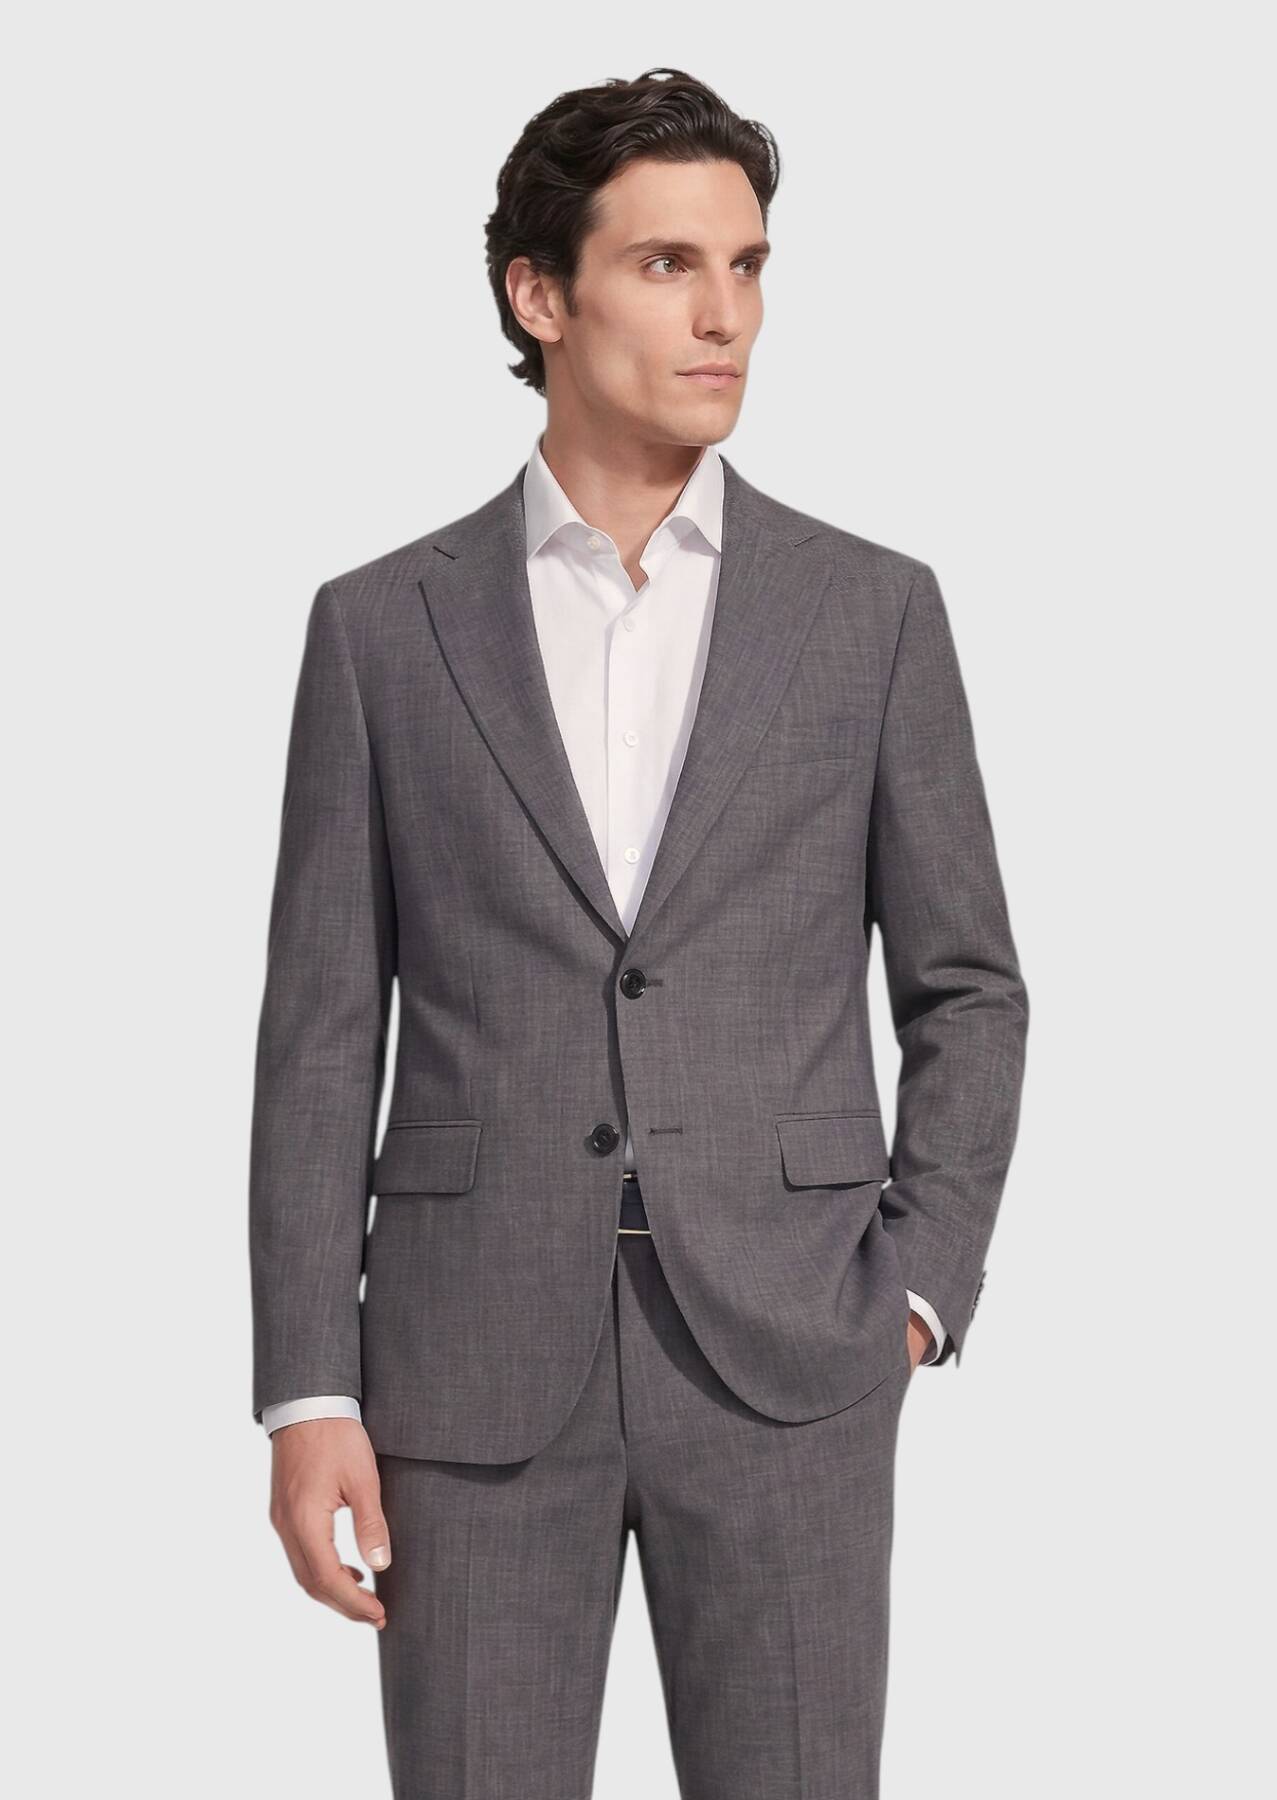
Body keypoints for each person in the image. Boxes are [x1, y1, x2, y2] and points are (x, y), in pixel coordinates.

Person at [249, 65, 1029, 1799]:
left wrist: (915, 1290)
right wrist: (308, 1393)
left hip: (791, 1357)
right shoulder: (380, 629)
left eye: (747, 267)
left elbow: (968, 986)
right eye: (669, 264)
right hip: (462, 1366)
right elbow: (318, 1034)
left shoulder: (870, 613)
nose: (724, 315)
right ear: (540, 296)